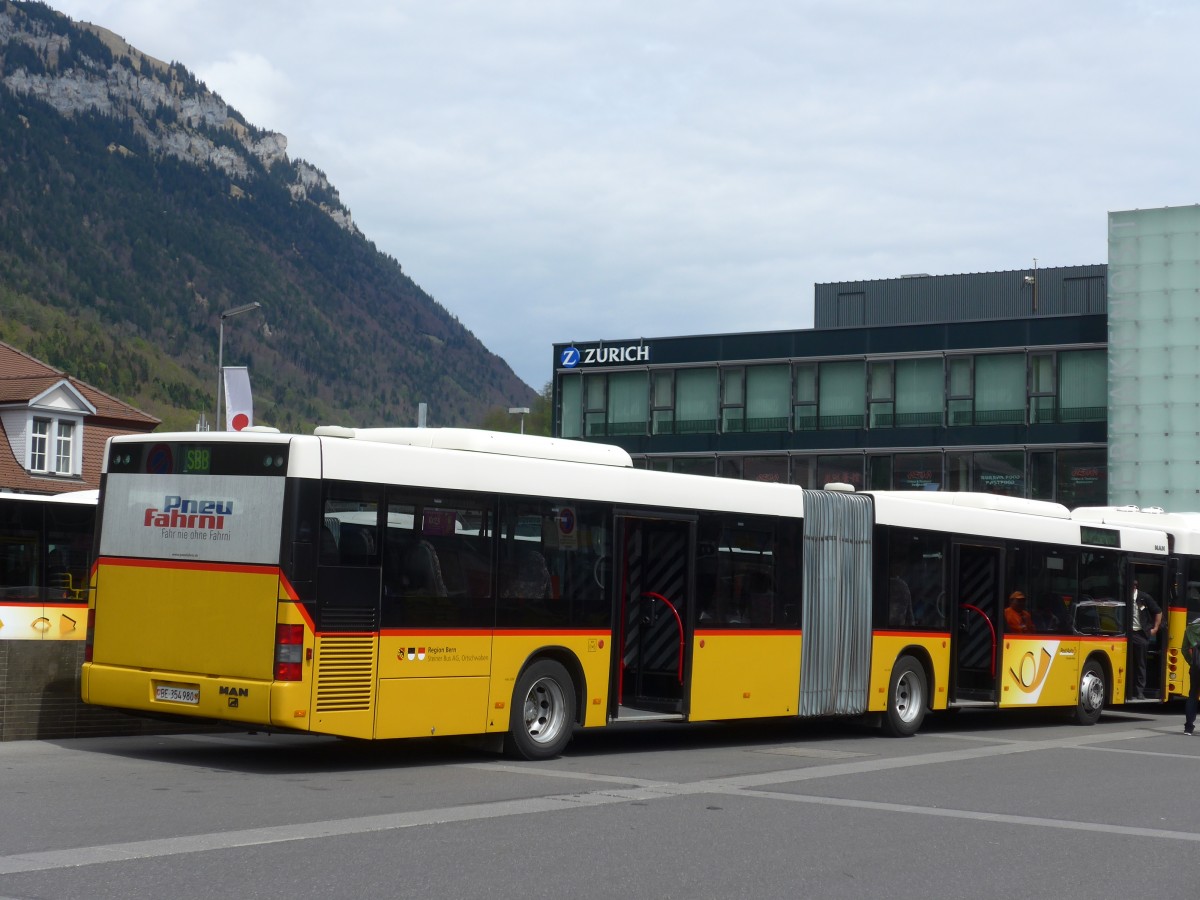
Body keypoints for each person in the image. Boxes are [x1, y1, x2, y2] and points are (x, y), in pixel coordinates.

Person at [1128, 579, 1162, 701]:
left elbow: (1158, 611)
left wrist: (1155, 628)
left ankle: (1139, 691)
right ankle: (1128, 689)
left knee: (1140, 663)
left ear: (1135, 587)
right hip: (1127, 633)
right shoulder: (1124, 596)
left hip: (1140, 634)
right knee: (1127, 662)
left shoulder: (1144, 597)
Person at [1183, 604, 1200, 735]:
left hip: (1195, 667)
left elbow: (1184, 650)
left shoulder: (1191, 627)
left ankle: (1188, 727)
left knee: (1193, 694)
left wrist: (1192, 662)